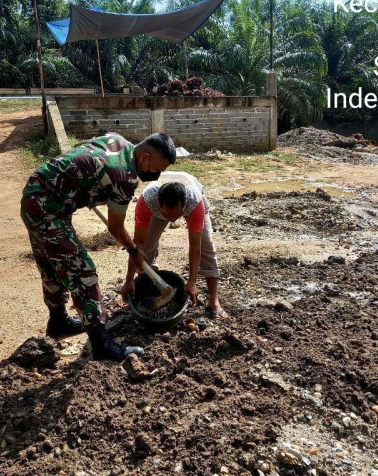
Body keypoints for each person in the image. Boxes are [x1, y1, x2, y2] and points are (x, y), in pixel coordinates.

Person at [21, 132, 176, 360]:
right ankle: (101, 345)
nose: (156, 175)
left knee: (52, 265)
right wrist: (134, 251)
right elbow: (115, 227)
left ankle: (58, 321)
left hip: (36, 193)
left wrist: (82, 187)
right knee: (83, 273)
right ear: (144, 157)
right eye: (157, 169)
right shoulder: (124, 178)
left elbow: (82, 151)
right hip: (47, 209)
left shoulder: (118, 141)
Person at [120, 171, 228, 320]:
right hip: (156, 209)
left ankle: (214, 301)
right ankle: (146, 290)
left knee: (206, 246)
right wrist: (129, 280)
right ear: (159, 204)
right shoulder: (148, 200)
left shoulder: (194, 201)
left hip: (192, 205)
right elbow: (138, 244)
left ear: (184, 205)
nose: (172, 220)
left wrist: (192, 282)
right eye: (167, 215)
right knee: (147, 247)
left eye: (177, 215)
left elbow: (195, 246)